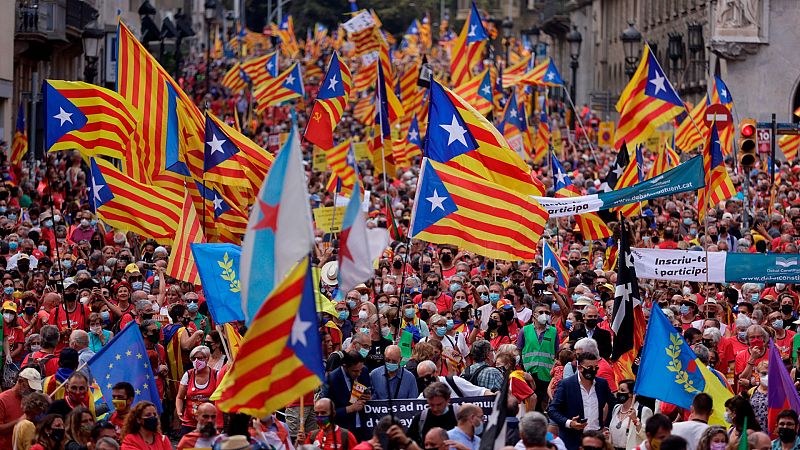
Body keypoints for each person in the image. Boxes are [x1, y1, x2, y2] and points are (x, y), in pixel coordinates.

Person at [548, 340, 614, 450]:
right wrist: (569, 423)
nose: (593, 371)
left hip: (596, 441)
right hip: (572, 440)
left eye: (596, 368)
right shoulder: (566, 384)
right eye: (589, 368)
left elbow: (613, 405)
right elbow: (552, 410)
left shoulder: (602, 384)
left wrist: (606, 426)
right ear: (580, 368)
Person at [320, 350, 371, 441]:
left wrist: (369, 397)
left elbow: (371, 390)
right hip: (343, 431)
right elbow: (326, 412)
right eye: (355, 371)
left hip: (364, 427)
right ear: (345, 366)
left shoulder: (364, 371)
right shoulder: (331, 379)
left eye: (360, 370)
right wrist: (350, 409)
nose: (359, 373)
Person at [518, 302, 558, 411]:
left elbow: (555, 352)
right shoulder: (524, 331)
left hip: (546, 374)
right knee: (530, 404)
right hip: (529, 373)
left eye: (547, 312)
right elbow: (519, 351)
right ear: (534, 314)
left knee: (543, 405)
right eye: (541, 312)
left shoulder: (553, 332)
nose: (544, 315)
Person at [175, 345, 218, 435]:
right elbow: (180, 397)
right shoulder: (188, 374)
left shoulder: (215, 374)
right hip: (189, 422)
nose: (196, 361)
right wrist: (179, 411)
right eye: (194, 358)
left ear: (207, 358)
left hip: (208, 423)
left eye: (200, 358)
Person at [0, 368, 44, 448]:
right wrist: (19, 420)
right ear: (20, 381)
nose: (32, 391)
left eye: (34, 390)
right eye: (30, 388)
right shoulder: (2, 399)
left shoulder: (31, 401)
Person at [407, 382, 459, 446]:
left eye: (439, 405)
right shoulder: (420, 418)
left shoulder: (460, 415)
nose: (435, 409)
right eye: (431, 405)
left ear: (448, 399)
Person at [609, 379, 652, 450]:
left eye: (622, 390)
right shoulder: (616, 408)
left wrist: (635, 420)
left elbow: (647, 437)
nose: (619, 392)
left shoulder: (644, 411)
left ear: (631, 394)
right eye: (618, 390)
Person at [414, 360, 492, 398]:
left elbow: (480, 391)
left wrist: (494, 396)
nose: (425, 380)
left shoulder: (454, 381)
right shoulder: (423, 396)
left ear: (436, 372)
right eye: (421, 379)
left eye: (427, 376)